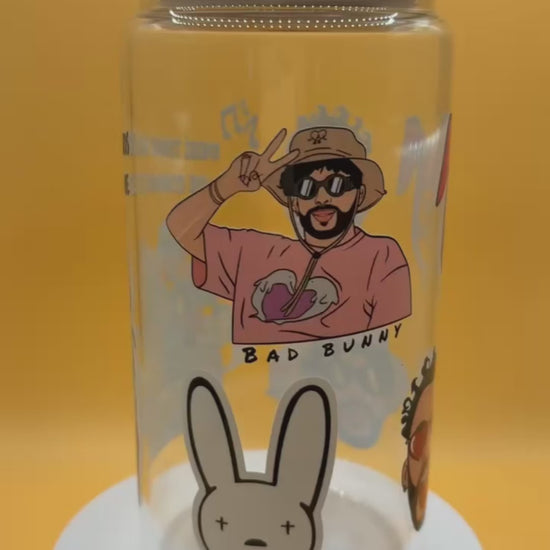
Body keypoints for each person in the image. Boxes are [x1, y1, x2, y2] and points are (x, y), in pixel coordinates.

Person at [166, 126, 411, 344]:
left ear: (360, 193)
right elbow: (180, 227)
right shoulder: (252, 252)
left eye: (337, 185)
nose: (322, 198)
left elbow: (391, 344)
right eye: (306, 187)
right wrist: (227, 186)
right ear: (293, 201)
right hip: (253, 382)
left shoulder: (381, 256)